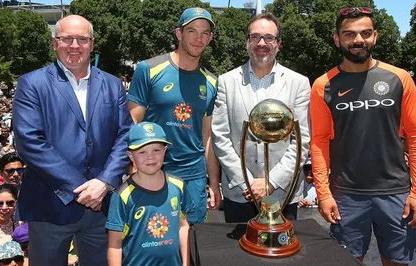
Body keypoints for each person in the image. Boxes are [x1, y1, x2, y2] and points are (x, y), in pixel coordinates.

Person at [310, 7, 416, 266]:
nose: (358, 40)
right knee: (347, 261)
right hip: (346, 195)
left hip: (396, 192)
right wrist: (323, 193)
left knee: (397, 262)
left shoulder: (399, 78)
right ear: (337, 39)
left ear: (375, 36)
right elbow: (319, 142)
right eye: (349, 34)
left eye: (365, 33)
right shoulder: (323, 85)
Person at [13, 14, 132, 265]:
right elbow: (29, 142)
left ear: (92, 43)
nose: (75, 46)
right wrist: (83, 188)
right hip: (49, 205)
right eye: (67, 39)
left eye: (82, 39)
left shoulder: (112, 85)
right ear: (55, 42)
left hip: (101, 205)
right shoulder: (31, 84)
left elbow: (125, 137)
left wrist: (104, 183)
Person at [211, 13, 310, 222]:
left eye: (269, 37)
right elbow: (220, 136)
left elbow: (301, 141)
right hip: (239, 193)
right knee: (238, 253)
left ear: (278, 43)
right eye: (255, 37)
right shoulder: (226, 82)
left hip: (283, 193)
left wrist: (271, 181)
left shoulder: (298, 83)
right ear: (247, 42)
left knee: (284, 253)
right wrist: (246, 180)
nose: (261, 43)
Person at [127, 7, 220, 224]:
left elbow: (207, 138)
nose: (199, 38)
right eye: (192, 31)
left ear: (210, 38)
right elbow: (132, 126)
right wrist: (132, 172)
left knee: (194, 244)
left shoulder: (212, 82)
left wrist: (214, 183)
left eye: (205, 33)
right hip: (155, 173)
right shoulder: (148, 69)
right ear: (179, 33)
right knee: (155, 244)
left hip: (194, 178)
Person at [106, 122, 193, 266]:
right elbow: (115, 245)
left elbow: (183, 226)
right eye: (142, 152)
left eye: (156, 150)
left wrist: (186, 263)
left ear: (165, 151)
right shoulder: (122, 195)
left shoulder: (178, 186)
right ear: (131, 156)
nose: (150, 157)